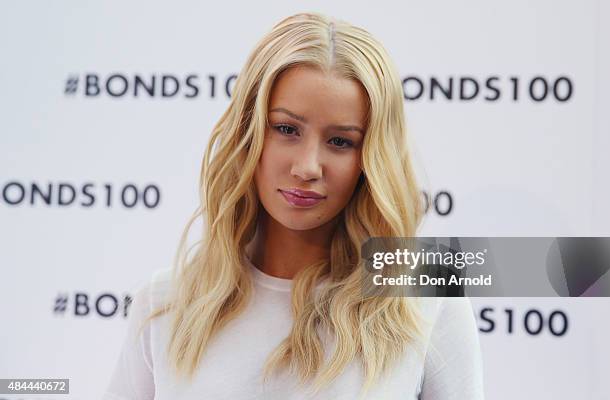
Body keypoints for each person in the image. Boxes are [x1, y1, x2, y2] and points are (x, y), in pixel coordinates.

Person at [103, 12, 484, 400]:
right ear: (248, 132)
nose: (306, 167)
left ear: (370, 158)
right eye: (287, 129)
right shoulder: (166, 301)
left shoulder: (426, 292)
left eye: (340, 141)